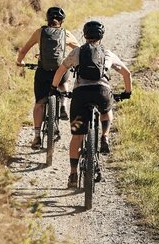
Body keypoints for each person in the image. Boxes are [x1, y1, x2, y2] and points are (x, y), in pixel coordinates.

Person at [51, 20, 131, 188]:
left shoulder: (78, 52)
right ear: (101, 36)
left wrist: (53, 88)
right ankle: (105, 136)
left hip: (80, 97)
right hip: (102, 93)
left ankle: (73, 174)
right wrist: (127, 93)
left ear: (85, 35)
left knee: (77, 136)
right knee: (106, 110)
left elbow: (61, 70)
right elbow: (126, 73)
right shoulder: (107, 53)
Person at [16, 6, 78, 149]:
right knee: (64, 80)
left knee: (39, 103)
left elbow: (24, 50)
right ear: (61, 21)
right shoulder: (65, 33)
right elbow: (79, 49)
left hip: (43, 72)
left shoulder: (39, 32)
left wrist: (20, 62)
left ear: (47, 19)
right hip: (59, 71)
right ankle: (63, 104)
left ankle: (37, 136)